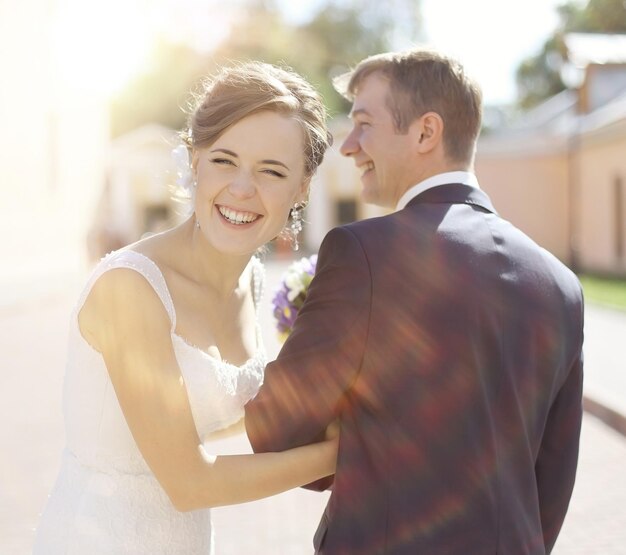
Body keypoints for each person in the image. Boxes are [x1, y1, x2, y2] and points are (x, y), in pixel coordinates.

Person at [245, 47, 584, 554]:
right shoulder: (561, 284)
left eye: (363, 124)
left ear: (426, 132)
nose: (350, 146)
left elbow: (276, 428)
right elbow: (552, 485)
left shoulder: (362, 254)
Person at [33, 61, 336, 555]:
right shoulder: (129, 288)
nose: (241, 188)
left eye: (272, 170)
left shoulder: (252, 281)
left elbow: (216, 409)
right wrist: (343, 453)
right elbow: (189, 482)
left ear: (302, 187)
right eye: (224, 160)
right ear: (195, 160)